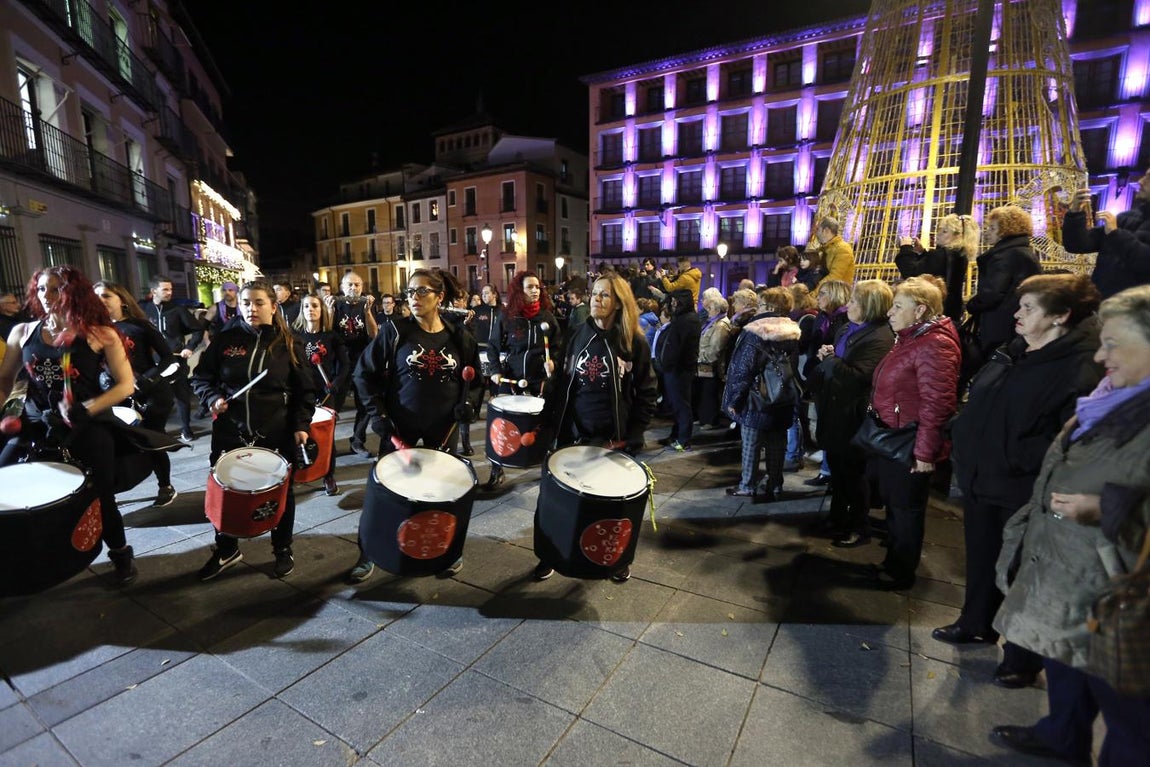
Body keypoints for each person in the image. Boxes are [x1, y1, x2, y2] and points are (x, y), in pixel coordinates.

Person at [991, 285, 1150, 766]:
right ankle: (1063, 733)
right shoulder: (1112, 396)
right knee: (1067, 655)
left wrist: (1108, 507)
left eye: (1114, 344)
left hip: (1120, 583)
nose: (1101, 356)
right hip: (1075, 563)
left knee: (1129, 719)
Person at [938, 274, 1103, 690]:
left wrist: (1016, 456)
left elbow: (1070, 438)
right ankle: (975, 623)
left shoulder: (1080, 366)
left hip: (1022, 486)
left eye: (1029, 307)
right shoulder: (1013, 350)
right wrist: (962, 429)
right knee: (981, 558)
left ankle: (1022, 657)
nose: (1017, 313)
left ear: (1061, 316)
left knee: (1021, 571)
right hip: (982, 475)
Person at [0, 266, 142, 584]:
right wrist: (5, 408)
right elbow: (5, 380)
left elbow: (125, 385)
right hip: (36, 424)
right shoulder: (22, 332)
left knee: (101, 496)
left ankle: (121, 554)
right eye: (41, 289)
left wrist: (87, 408)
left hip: (84, 425)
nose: (46, 296)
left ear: (73, 292)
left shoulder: (100, 334)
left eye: (56, 289)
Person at [348, 268, 483, 583]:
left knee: (444, 492)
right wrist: (379, 416)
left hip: (443, 428)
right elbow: (362, 375)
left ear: (439, 296)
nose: (414, 297)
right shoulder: (395, 331)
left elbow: (475, 380)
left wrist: (469, 407)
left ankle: (446, 550)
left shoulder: (459, 336)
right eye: (410, 292)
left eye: (422, 291)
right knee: (385, 493)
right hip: (400, 425)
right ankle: (369, 551)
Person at [532, 272, 658, 583]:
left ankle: (616, 559)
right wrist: (546, 419)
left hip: (612, 435)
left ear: (619, 303)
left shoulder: (634, 342)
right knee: (555, 500)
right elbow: (561, 382)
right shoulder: (577, 333)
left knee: (613, 506)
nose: (596, 299)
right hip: (573, 430)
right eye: (594, 293)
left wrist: (635, 432)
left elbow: (647, 392)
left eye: (604, 295)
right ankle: (548, 554)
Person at [191, 282, 316, 581]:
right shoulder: (225, 340)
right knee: (225, 492)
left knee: (281, 493)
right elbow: (201, 377)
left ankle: (282, 548)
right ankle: (226, 549)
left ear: (273, 306)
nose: (252, 308)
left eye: (259, 302)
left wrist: (301, 425)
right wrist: (212, 398)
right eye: (246, 303)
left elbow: (306, 392)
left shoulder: (290, 343)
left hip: (275, 431)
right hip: (231, 431)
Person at [865, 275, 961, 590]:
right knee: (896, 506)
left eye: (897, 306)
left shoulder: (935, 344)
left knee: (906, 510)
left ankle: (901, 571)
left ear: (919, 310)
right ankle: (893, 562)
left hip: (909, 442)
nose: (889, 312)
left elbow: (938, 404)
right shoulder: (911, 338)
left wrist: (924, 453)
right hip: (896, 437)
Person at [807, 280, 895, 546]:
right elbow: (842, 360)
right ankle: (838, 519)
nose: (848, 305)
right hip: (836, 409)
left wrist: (831, 360)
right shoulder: (848, 328)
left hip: (853, 414)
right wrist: (831, 354)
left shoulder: (880, 337)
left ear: (869, 306)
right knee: (838, 470)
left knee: (853, 474)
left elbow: (856, 377)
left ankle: (859, 527)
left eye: (854, 301)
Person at [94, 281, 181, 507]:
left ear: (121, 299)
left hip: (151, 394)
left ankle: (165, 486)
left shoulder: (140, 325)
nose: (101, 301)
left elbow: (168, 358)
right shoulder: (93, 331)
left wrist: (147, 380)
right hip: (116, 395)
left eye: (106, 295)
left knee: (152, 438)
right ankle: (113, 491)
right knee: (114, 443)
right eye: (96, 296)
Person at [722, 287, 802, 501]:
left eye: (762, 304)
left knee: (751, 443)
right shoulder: (792, 330)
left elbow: (743, 370)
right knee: (777, 444)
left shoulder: (756, 331)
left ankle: (747, 485)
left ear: (771, 308)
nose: (757, 308)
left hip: (756, 398)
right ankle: (775, 485)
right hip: (782, 396)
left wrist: (735, 400)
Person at [485, 271, 560, 490]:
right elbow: (493, 346)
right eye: (530, 287)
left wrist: (553, 362)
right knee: (502, 424)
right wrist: (495, 370)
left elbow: (558, 347)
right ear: (520, 290)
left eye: (537, 287)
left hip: (539, 380)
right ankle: (496, 469)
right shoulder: (508, 317)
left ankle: (545, 466)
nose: (535, 290)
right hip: (511, 378)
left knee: (543, 424)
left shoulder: (547, 318)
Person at [964, 205, 1041, 365]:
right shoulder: (1024, 252)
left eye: (993, 228)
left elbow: (991, 294)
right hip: (1017, 321)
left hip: (999, 323)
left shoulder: (1004, 256)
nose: (987, 232)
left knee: (994, 365)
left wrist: (971, 305)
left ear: (1007, 230)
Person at [291, 293, 350, 496]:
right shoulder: (294, 337)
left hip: (325, 393)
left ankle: (328, 475)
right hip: (301, 393)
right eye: (306, 306)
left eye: (315, 305)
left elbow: (345, 365)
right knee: (299, 432)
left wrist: (336, 383)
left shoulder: (331, 337)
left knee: (326, 437)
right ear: (302, 310)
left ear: (321, 309)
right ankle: (298, 472)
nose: (311, 309)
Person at [142, 274, 206, 443]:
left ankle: (186, 428)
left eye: (170, 289)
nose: (169, 292)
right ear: (154, 291)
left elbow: (198, 329)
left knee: (181, 395)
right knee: (157, 398)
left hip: (176, 359)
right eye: (165, 289)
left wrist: (189, 347)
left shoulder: (178, 309)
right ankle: (160, 429)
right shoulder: (144, 310)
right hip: (153, 362)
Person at [1062, 179, 1150, 298]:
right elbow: (1077, 244)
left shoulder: (1118, 226)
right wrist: (1075, 213)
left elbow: (1144, 261)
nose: (1140, 181)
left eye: (1149, 178)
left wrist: (1115, 234)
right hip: (1101, 301)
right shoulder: (1125, 218)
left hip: (1135, 305)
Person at [803, 279, 852, 487]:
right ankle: (826, 469)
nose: (818, 297)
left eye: (823, 293)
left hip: (833, 376)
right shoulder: (822, 317)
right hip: (819, 374)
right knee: (823, 423)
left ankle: (829, 471)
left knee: (832, 425)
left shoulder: (844, 319)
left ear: (835, 295)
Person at [327, 270, 378, 456]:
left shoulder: (367, 304)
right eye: (349, 284)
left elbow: (374, 334)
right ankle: (328, 443)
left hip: (360, 360)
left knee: (364, 402)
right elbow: (328, 332)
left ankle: (357, 440)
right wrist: (330, 311)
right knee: (333, 404)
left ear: (362, 287)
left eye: (357, 285)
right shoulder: (336, 304)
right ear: (342, 287)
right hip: (340, 361)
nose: (353, 288)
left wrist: (368, 312)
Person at [895, 213, 977, 324]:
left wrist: (906, 248)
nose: (938, 234)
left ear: (957, 236)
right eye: (940, 230)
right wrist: (922, 253)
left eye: (944, 231)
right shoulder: (960, 256)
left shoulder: (940, 255)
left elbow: (912, 273)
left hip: (934, 312)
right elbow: (936, 269)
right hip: (951, 312)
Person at [656, 288, 701, 451]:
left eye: (676, 301)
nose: (673, 304)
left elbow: (681, 347)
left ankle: (683, 439)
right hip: (673, 368)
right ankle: (675, 435)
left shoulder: (689, 320)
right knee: (676, 404)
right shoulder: (682, 318)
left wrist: (670, 361)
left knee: (681, 404)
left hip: (680, 369)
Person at [695, 288, 731, 429]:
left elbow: (716, 347)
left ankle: (711, 420)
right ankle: (703, 418)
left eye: (710, 308)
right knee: (704, 393)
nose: (708, 311)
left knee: (710, 394)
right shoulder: (713, 322)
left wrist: (702, 357)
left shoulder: (721, 325)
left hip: (711, 365)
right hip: (703, 362)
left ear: (717, 310)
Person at [810, 217, 856, 288]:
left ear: (826, 230)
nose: (816, 233)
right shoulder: (825, 248)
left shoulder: (843, 249)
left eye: (818, 229)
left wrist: (814, 293)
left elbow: (834, 278)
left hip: (836, 293)